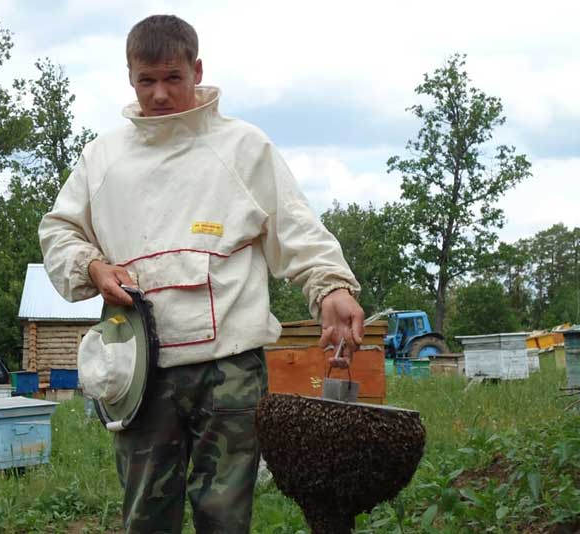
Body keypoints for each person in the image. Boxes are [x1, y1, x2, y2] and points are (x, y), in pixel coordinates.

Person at [39, 14, 365, 534]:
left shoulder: (242, 147)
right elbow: (59, 232)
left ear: (197, 70)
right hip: (140, 369)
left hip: (230, 370)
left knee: (223, 516)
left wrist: (331, 287)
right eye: (148, 81)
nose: (161, 94)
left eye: (174, 78)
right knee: (146, 516)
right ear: (130, 78)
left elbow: (295, 225)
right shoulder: (103, 159)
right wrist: (93, 265)